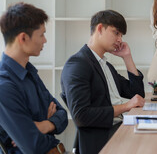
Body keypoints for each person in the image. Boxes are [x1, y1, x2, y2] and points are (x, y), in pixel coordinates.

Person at [0, 2, 68, 154]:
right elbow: (34, 146)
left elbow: (62, 113)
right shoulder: (1, 88)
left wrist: (45, 125)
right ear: (23, 38)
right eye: (41, 34)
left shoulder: (28, 72)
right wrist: (48, 125)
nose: (45, 40)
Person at [61, 10, 145, 154]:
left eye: (121, 35)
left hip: (119, 128)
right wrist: (125, 106)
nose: (120, 39)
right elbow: (81, 116)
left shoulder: (105, 65)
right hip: (103, 138)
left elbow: (136, 94)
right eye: (116, 33)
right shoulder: (77, 64)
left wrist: (127, 57)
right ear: (100, 29)